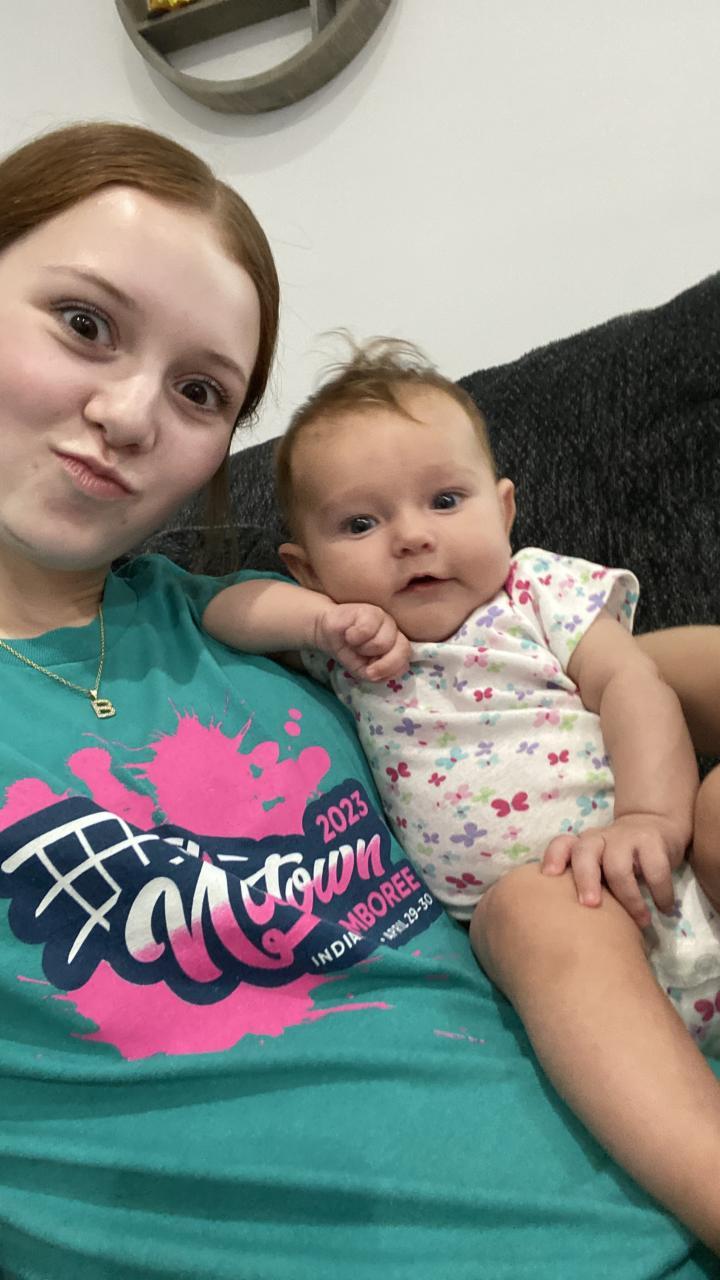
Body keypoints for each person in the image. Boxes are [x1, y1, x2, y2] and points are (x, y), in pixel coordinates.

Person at [0, 122, 715, 1280]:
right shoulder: (308, 619)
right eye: (84, 324)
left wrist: (635, 718)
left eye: (201, 390)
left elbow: (558, 680)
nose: (131, 416)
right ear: (310, 550)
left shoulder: (230, 618)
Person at [204, 338, 720, 1253]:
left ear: (505, 508)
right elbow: (222, 612)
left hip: (665, 867)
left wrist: (652, 815)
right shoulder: (353, 651)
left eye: (446, 501)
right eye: (360, 524)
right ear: (307, 567)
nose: (412, 536)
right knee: (531, 909)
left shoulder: (539, 591)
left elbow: (635, 688)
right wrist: (322, 621)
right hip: (567, 935)